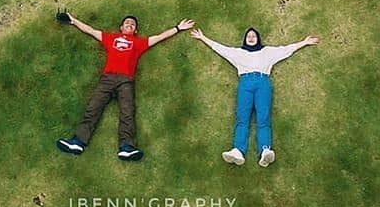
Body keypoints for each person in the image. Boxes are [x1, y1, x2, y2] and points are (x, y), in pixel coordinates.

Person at [55, 12, 193, 161]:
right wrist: (73, 20)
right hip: (107, 79)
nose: (130, 25)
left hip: (126, 81)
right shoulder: (110, 38)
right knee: (93, 108)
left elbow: (159, 37)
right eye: (127, 23)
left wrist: (178, 28)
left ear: (135, 31)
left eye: (133, 25)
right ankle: (78, 142)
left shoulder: (139, 43)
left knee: (127, 112)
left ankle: (127, 148)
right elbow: (90, 30)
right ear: (121, 27)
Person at [190, 25, 318, 166]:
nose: (251, 38)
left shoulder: (267, 52)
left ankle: (265, 150)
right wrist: (203, 38)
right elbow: (221, 49)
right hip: (245, 83)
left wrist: (304, 42)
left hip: (263, 83)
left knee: (263, 117)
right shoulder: (238, 53)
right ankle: (238, 151)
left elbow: (285, 49)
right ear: (245, 39)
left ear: (258, 39)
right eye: (248, 36)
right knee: (242, 118)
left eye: (254, 36)